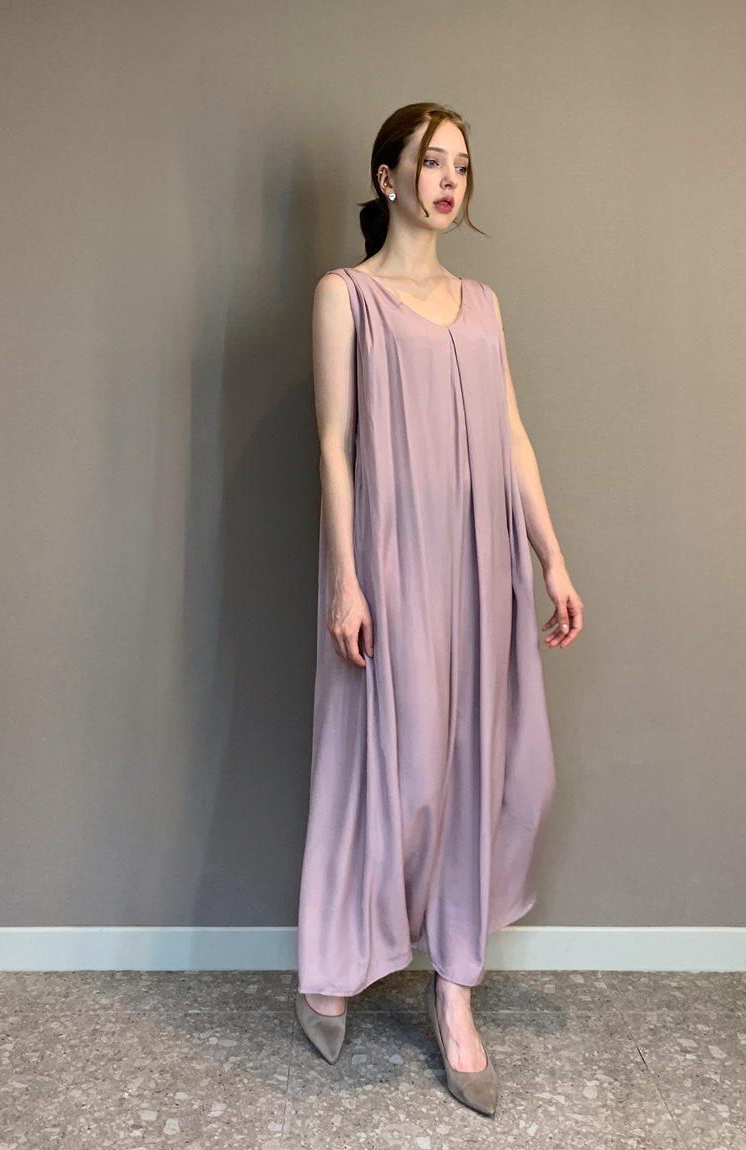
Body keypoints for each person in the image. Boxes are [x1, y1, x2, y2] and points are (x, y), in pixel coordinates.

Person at [295, 102, 583, 1116]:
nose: (450, 179)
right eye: (431, 162)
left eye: (462, 164)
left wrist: (552, 557)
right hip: (391, 559)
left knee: (507, 775)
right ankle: (336, 957)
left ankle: (454, 989)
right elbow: (335, 444)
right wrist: (346, 578)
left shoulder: (484, 303)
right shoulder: (346, 297)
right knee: (399, 770)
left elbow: (512, 437)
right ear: (389, 178)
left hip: (481, 561)